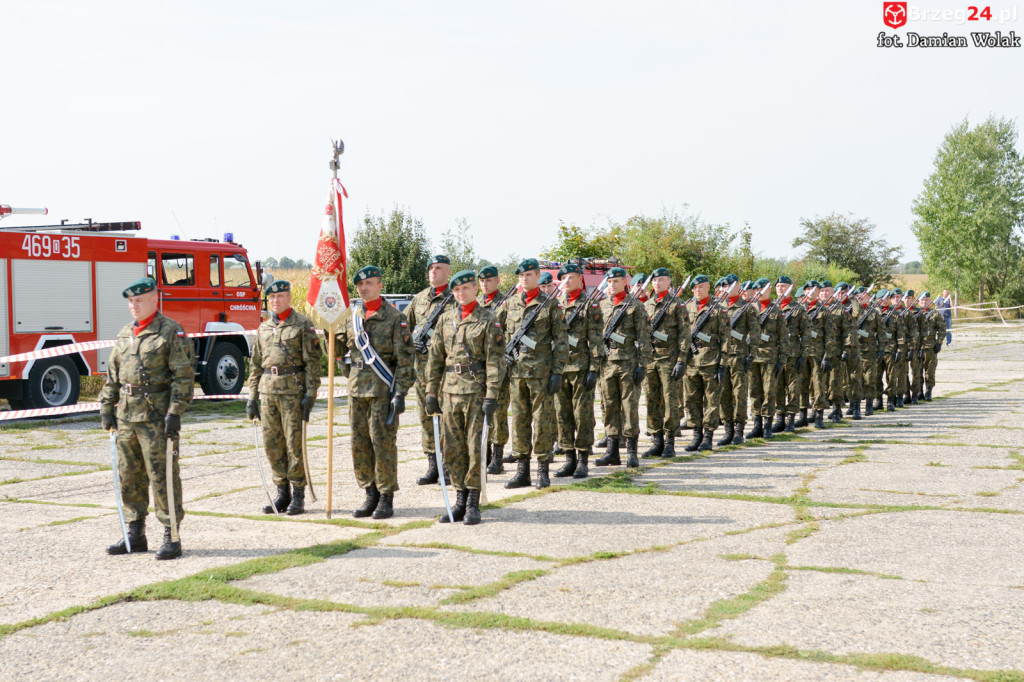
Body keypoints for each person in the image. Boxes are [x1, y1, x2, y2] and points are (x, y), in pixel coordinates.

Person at [99, 277, 194, 560]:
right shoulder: (125, 333)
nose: (134, 306)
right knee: (129, 477)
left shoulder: (170, 332)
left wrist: (175, 413)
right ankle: (135, 532)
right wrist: (106, 406)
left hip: (156, 417)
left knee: (162, 477)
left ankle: (171, 535)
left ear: (155, 299)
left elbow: (183, 377)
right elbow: (113, 375)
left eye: (139, 300)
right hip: (126, 415)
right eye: (130, 301)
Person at [425, 270, 505, 524]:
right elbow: (436, 358)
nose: (461, 294)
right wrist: (430, 391)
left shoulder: (487, 320)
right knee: (452, 449)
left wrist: (492, 395)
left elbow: (495, 361)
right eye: (457, 291)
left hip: (475, 392)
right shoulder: (445, 319)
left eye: (466, 289)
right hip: (449, 392)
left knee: (475, 448)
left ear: (475, 290)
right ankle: (459, 499)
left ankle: (473, 502)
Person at [333, 266, 414, 519]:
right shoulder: (352, 317)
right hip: (357, 390)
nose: (363, 287)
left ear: (380, 285)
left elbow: (405, 361)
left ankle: (386, 497)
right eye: (360, 284)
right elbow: (337, 351)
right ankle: (370, 493)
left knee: (383, 445)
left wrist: (399, 394)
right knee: (359, 445)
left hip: (382, 390)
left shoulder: (394, 318)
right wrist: (330, 326)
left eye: (369, 283)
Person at [247, 280, 323, 516]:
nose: (276, 301)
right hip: (268, 393)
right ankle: (282, 493)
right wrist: (251, 397)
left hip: (293, 392)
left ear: (289, 297)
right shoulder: (264, 328)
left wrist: (311, 393)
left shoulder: (302, 324)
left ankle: (298, 494)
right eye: (272, 298)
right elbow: (255, 365)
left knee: (294, 445)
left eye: (280, 296)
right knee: (273, 445)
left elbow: (313, 363)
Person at [502, 258, 568, 488]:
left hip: (542, 373)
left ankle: (542, 470)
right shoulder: (509, 304)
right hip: (516, 373)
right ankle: (522, 471)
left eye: (528, 275)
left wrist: (558, 372)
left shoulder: (550, 305)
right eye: (521, 276)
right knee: (519, 421)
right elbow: (497, 335)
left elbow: (561, 342)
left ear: (537, 276)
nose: (524, 279)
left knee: (542, 422)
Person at [596, 267, 652, 468]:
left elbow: (644, 339)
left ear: (624, 282)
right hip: (606, 364)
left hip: (628, 364)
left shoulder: (635, 306)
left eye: (616, 282)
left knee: (629, 408)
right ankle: (612, 451)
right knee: (609, 407)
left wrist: (642, 365)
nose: (612, 286)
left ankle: (631, 452)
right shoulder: (601, 305)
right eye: (609, 282)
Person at [406, 255, 455, 485]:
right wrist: (410, 341)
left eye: (438, 268)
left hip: (446, 373)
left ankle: (448, 465)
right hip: (421, 370)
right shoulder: (419, 299)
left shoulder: (455, 299)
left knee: (446, 419)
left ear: (448, 271)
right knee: (426, 418)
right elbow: (401, 325)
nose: (433, 272)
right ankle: (433, 465)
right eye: (431, 268)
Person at [553, 263, 603, 477]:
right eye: (564, 278)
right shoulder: (555, 305)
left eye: (571, 277)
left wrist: (594, 368)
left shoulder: (590, 305)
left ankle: (582, 458)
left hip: (581, 367)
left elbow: (596, 339)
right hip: (561, 367)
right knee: (562, 415)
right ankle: (569, 458)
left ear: (580, 279)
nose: (567, 281)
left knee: (582, 415)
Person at [642, 268, 689, 458]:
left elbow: (685, 334)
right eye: (655, 281)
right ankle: (656, 440)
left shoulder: (677, 305)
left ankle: (670, 441)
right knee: (651, 399)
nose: (657, 283)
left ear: (669, 282)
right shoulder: (646, 305)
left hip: (669, 358)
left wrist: (681, 360)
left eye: (661, 280)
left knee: (670, 401)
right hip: (650, 359)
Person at [683, 275, 726, 451]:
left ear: (708, 287)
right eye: (695, 288)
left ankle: (708, 436)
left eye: (701, 287)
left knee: (711, 401)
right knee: (692, 400)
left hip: (710, 360)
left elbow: (725, 339)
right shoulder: (686, 308)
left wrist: (722, 364)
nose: (698, 290)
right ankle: (696, 435)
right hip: (691, 361)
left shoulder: (718, 309)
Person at [477, 265, 512, 473]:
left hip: (499, 367)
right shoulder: (476, 305)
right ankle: (486, 452)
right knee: (482, 413)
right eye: (481, 281)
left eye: (488, 281)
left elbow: (510, 332)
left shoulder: (506, 304)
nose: (485, 284)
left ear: (497, 281)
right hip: (479, 367)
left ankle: (497, 456)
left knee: (498, 413)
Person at [717, 276, 760, 445]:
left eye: (730, 285)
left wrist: (752, 354)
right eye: (724, 286)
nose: (726, 288)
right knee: (723, 394)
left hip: (739, 355)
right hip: (721, 356)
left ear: (739, 287)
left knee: (739, 394)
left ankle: (739, 431)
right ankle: (728, 429)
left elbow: (755, 333)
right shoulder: (718, 307)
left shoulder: (747, 308)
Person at [748, 278, 788, 439]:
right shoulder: (749, 309)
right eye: (756, 290)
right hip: (753, 356)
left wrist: (782, 358)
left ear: (768, 290)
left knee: (769, 391)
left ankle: (767, 425)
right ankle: (757, 424)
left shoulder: (776, 311)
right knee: (754, 392)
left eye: (762, 289)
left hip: (770, 357)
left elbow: (783, 337)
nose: (758, 292)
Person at [771, 276, 806, 433]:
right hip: (775, 355)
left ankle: (791, 418)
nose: (780, 289)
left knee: (793, 387)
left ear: (790, 288)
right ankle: (780, 418)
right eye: (778, 286)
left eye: (783, 286)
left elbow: (806, 334)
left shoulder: (798, 308)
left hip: (793, 354)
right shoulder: (770, 307)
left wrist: (803, 355)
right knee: (777, 387)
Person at [918, 292, 945, 401]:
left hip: (930, 347)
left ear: (930, 301)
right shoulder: (914, 314)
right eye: (922, 300)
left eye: (926, 300)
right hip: (916, 347)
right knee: (916, 371)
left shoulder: (935, 314)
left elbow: (942, 330)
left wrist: (939, 342)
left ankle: (928, 391)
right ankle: (918, 391)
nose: (924, 302)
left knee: (930, 371)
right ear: (919, 302)